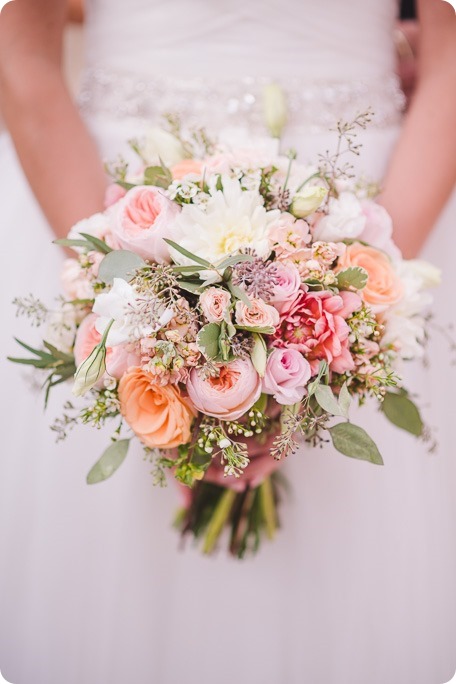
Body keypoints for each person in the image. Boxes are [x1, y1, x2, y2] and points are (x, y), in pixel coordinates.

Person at [0, 1, 455, 683]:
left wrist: (348, 307)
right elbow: (19, 47)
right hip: (98, 191)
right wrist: (125, 305)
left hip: (374, 201)